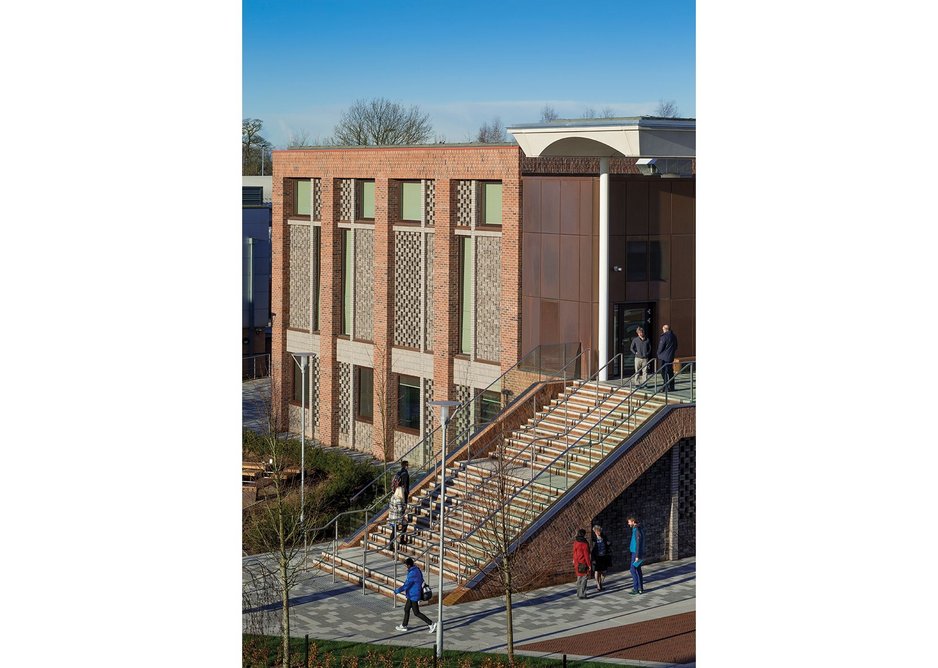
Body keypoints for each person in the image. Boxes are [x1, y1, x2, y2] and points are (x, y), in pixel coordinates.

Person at [393, 557, 437, 633]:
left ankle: (431, 624)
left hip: (414, 595)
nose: (405, 566)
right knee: (406, 609)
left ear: (409, 565)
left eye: (406, 565)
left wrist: (397, 591)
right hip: (412, 594)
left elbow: (406, 585)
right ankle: (404, 625)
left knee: (416, 612)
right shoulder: (416, 569)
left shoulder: (413, 573)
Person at [590, 524, 612, 592]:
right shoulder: (593, 539)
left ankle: (600, 582)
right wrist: (592, 559)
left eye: (600, 531)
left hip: (604, 556)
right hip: (597, 557)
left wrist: (609, 543)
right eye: (598, 531)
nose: (599, 532)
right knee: (597, 571)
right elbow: (591, 549)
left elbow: (608, 543)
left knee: (604, 572)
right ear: (595, 532)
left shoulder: (604, 537)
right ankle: (598, 585)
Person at [627, 515, 645, 595]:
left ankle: (636, 588)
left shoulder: (636, 530)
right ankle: (640, 588)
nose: (628, 523)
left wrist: (637, 556)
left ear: (633, 521)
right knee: (638, 570)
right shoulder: (637, 528)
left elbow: (638, 543)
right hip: (636, 552)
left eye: (629, 522)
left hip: (635, 553)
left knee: (632, 570)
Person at [657, 324, 678, 392]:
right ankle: (672, 387)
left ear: (665, 329)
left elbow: (661, 347)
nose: (662, 331)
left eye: (663, 329)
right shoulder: (674, 336)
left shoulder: (664, 337)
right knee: (670, 372)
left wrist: (658, 353)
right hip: (671, 356)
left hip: (664, 357)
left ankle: (666, 387)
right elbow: (676, 346)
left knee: (664, 372)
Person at [572, 528, 592, 599]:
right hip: (583, 563)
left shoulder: (575, 542)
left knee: (579, 579)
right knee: (584, 579)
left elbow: (574, 553)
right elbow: (586, 556)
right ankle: (582, 594)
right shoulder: (585, 544)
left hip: (577, 563)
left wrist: (574, 560)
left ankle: (578, 593)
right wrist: (589, 565)